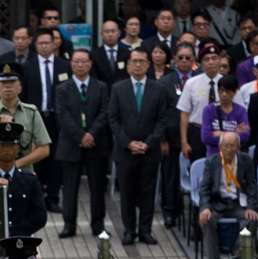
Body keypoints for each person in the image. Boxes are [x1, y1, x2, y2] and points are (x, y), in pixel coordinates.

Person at [109, 47, 169, 246]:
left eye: (142, 61)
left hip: (149, 151)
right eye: (134, 61)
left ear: (148, 64)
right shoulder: (118, 88)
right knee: (126, 193)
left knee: (147, 193)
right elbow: (114, 120)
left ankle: (145, 230)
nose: (138, 64)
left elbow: (162, 120)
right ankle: (129, 231)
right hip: (125, 152)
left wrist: (149, 143)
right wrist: (128, 143)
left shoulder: (158, 88)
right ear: (127, 65)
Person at [54, 50, 110, 238]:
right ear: (71, 64)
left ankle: (98, 225)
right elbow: (63, 116)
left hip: (97, 143)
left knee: (97, 187)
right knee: (69, 187)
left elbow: (105, 112)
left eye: (84, 61)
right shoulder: (62, 88)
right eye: (76, 61)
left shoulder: (101, 86)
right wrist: (80, 136)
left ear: (90, 64)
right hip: (71, 144)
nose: (80, 65)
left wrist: (91, 134)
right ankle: (69, 224)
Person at [18, 29, 70, 211]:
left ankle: (54, 198)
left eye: (48, 42)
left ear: (54, 43)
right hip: (36, 119)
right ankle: (36, 198)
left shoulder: (65, 66)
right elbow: (22, 96)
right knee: (36, 159)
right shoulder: (27, 67)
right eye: (41, 43)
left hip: (57, 120)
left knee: (57, 159)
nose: (44, 46)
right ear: (35, 45)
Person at [197, 131, 258, 259]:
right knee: (206, 219)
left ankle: (237, 257)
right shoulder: (211, 161)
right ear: (220, 146)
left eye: (232, 146)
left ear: (238, 146)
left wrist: (251, 207)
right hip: (217, 203)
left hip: (238, 203)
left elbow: (252, 186)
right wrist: (205, 208)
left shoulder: (246, 160)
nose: (229, 149)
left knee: (253, 218)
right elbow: (204, 188)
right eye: (226, 145)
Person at [157, 42, 197, 228]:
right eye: (180, 58)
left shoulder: (200, 79)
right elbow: (160, 112)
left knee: (197, 174)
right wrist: (163, 139)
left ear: (194, 60)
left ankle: (197, 212)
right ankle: (170, 211)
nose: (184, 61)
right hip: (172, 137)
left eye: (188, 58)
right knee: (170, 175)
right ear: (174, 60)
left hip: (196, 136)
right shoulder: (165, 82)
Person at [0, 122, 47, 237]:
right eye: (2, 145)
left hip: (21, 243)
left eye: (11, 145)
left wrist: (12, 232)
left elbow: (40, 217)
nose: (6, 149)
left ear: (18, 148)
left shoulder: (30, 181)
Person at [0, 63, 52, 174]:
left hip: (24, 174)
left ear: (20, 87)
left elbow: (44, 149)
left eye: (12, 82)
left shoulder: (31, 112)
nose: (8, 86)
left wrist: (14, 165)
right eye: (4, 82)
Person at [178, 42, 225, 162]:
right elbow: (184, 113)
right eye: (206, 59)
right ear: (200, 63)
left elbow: (238, 111)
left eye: (214, 58)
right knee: (199, 169)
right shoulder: (191, 83)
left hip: (223, 132)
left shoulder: (229, 83)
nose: (211, 62)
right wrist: (184, 142)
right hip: (197, 132)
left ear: (220, 60)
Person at [201, 75, 250, 156]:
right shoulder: (208, 110)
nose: (224, 94)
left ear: (234, 92)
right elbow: (206, 137)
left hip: (234, 156)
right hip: (214, 156)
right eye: (221, 91)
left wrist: (219, 133)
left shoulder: (241, 111)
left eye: (228, 91)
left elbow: (245, 136)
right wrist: (234, 133)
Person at [91, 19, 130, 87]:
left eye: (113, 31)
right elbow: (94, 79)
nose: (110, 34)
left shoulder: (127, 54)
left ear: (119, 33)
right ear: (102, 34)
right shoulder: (94, 55)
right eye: (107, 31)